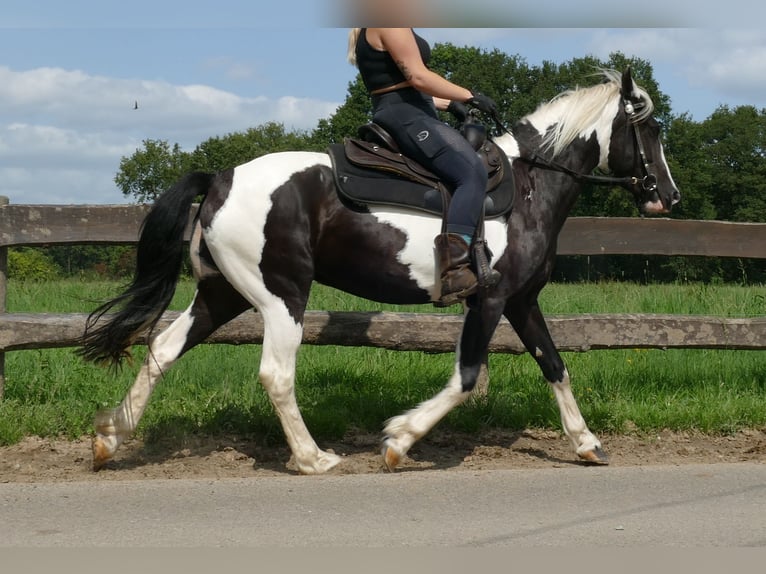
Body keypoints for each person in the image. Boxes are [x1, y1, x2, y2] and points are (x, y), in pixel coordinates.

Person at [348, 27, 500, 306]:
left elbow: (402, 85)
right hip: (406, 116)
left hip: (409, 109)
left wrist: (451, 104)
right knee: (471, 172)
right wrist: (470, 95)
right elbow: (418, 77)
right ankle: (454, 270)